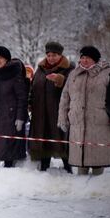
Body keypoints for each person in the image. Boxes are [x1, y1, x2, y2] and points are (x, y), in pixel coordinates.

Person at [58, 46, 110, 176]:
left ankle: (97, 189)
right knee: (80, 162)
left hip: (99, 123)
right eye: (82, 57)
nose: (84, 60)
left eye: (88, 58)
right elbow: (65, 98)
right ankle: (82, 189)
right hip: (77, 122)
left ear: (95, 59)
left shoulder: (108, 73)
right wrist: (62, 118)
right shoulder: (74, 74)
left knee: (97, 160)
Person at [28, 41, 74, 173]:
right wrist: (30, 103)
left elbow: (74, 88)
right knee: (44, 137)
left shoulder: (69, 68)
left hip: (58, 111)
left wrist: (61, 80)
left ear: (60, 55)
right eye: (48, 55)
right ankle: (44, 165)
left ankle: (67, 166)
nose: (51, 58)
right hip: (41, 111)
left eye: (54, 55)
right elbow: (34, 87)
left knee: (61, 138)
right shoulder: (40, 69)